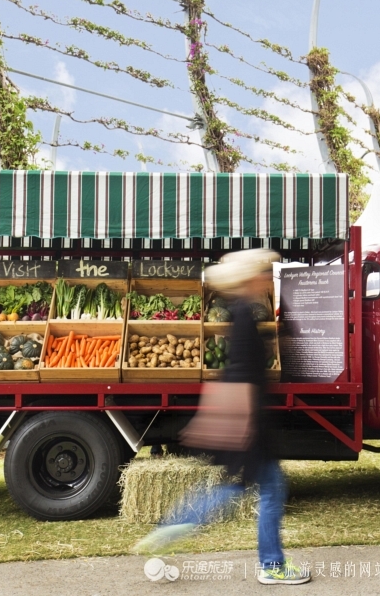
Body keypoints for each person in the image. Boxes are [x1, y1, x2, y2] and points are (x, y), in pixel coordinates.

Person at [134, 249, 310, 586]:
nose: (264, 276)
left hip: (246, 422)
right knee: (268, 489)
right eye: (261, 272)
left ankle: (173, 525)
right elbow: (243, 374)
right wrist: (244, 428)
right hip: (250, 424)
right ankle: (271, 565)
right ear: (249, 279)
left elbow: (238, 369)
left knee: (236, 488)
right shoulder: (245, 316)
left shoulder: (240, 313)